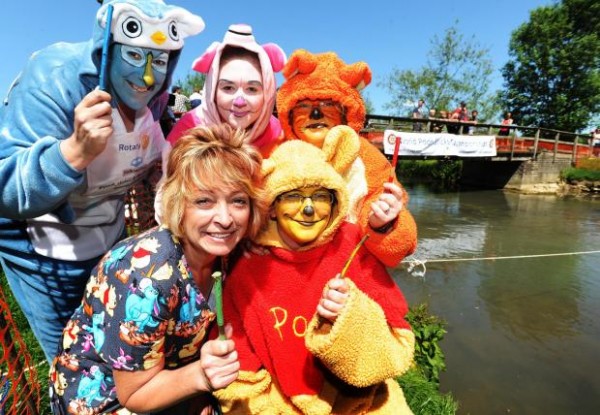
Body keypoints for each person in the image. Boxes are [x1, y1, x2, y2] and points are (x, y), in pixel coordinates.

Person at [0, 0, 204, 363]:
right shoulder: (52, 78)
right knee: (74, 363)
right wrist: (72, 153)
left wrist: (157, 170)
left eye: (158, 61)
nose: (146, 78)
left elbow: (139, 147)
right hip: (46, 257)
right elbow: (5, 192)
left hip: (109, 245)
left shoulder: (152, 98)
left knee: (114, 349)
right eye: (133, 56)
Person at [49, 124, 266, 415]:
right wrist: (200, 377)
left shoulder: (227, 252)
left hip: (174, 372)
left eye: (238, 200)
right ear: (178, 203)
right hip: (106, 399)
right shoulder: (146, 276)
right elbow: (134, 395)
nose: (225, 218)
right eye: (204, 201)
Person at [213, 133, 415, 414]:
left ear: (335, 201)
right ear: (271, 208)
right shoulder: (247, 264)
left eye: (320, 196)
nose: (308, 209)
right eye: (293, 196)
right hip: (283, 401)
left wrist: (350, 316)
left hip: (363, 401)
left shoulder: (351, 244)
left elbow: (399, 342)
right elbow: (239, 370)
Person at [276, 50, 417, 267]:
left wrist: (383, 224)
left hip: (347, 268)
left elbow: (398, 250)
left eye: (328, 106)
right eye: (304, 106)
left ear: (346, 114)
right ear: (289, 113)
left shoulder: (365, 158)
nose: (316, 115)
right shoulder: (277, 153)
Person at [166, 23, 287, 158]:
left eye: (252, 89)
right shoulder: (189, 128)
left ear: (267, 93)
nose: (239, 102)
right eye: (228, 88)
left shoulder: (277, 132)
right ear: (213, 91)